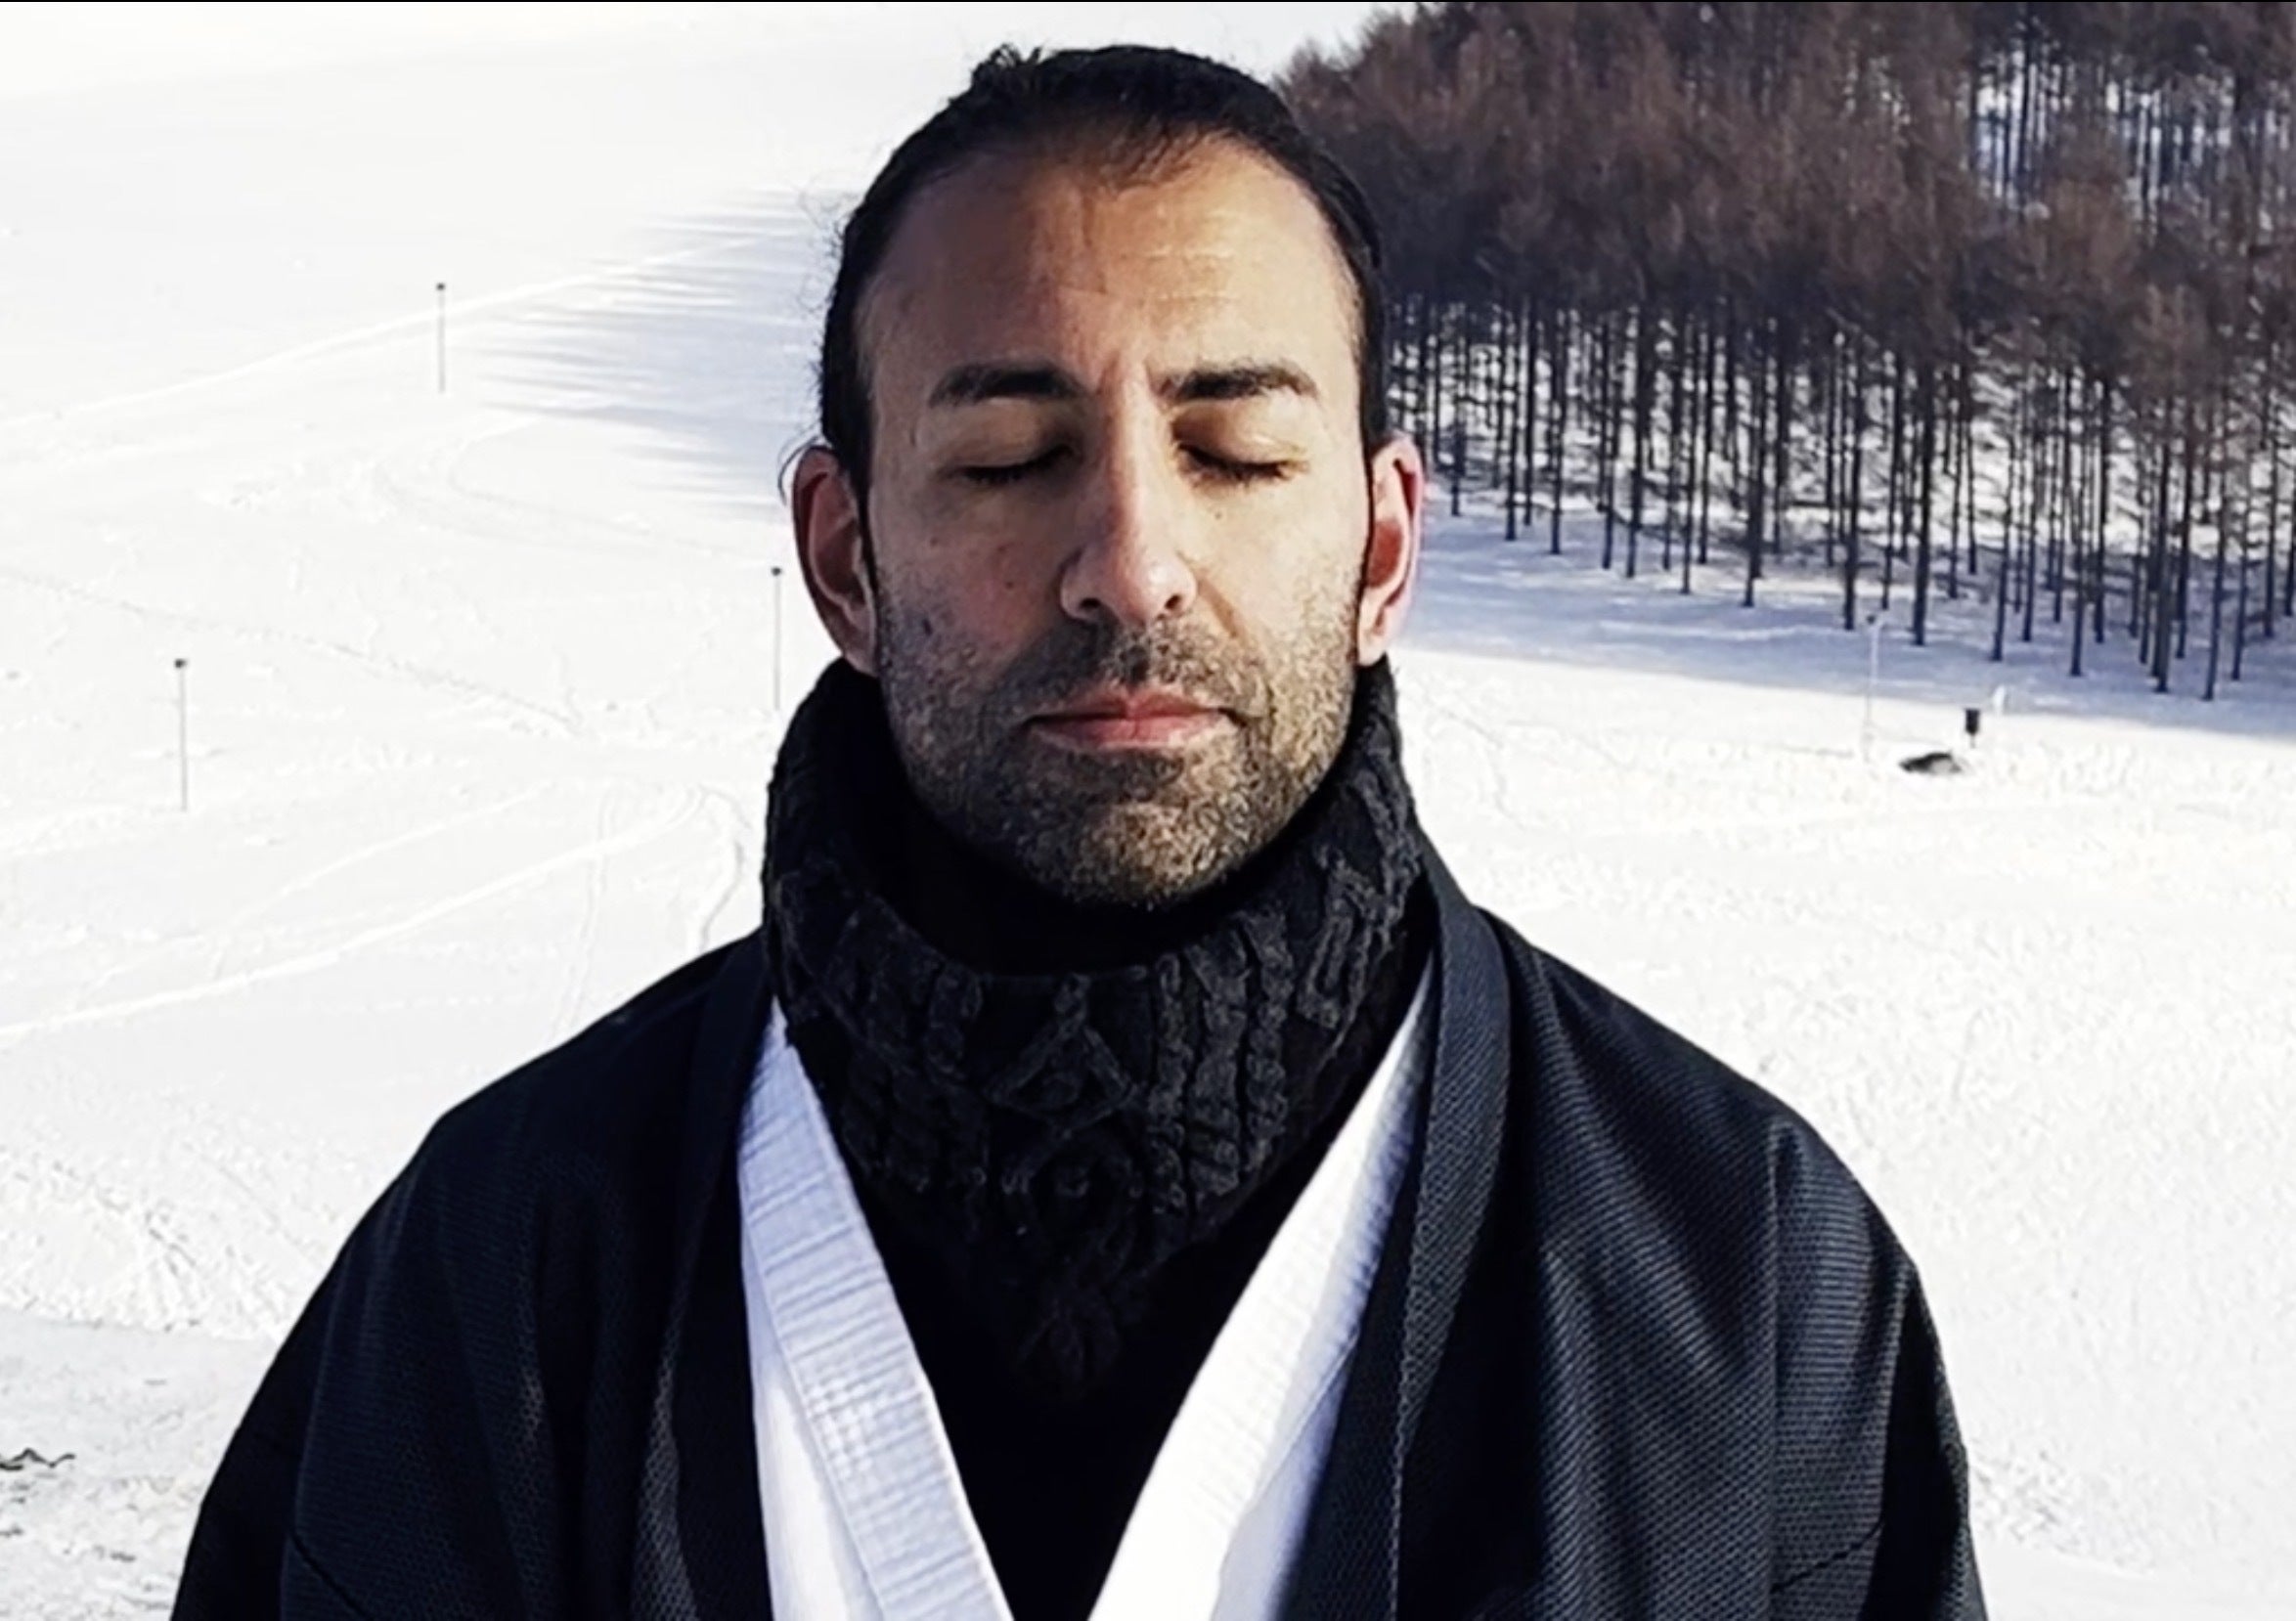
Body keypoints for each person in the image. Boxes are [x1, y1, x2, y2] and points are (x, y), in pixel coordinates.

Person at [173, 44, 1987, 1621]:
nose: (1131, 563)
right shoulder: (502, 1270)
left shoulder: (1741, 1286)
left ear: (1380, 548)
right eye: (1007, 460)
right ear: (842, 557)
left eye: (1238, 451)